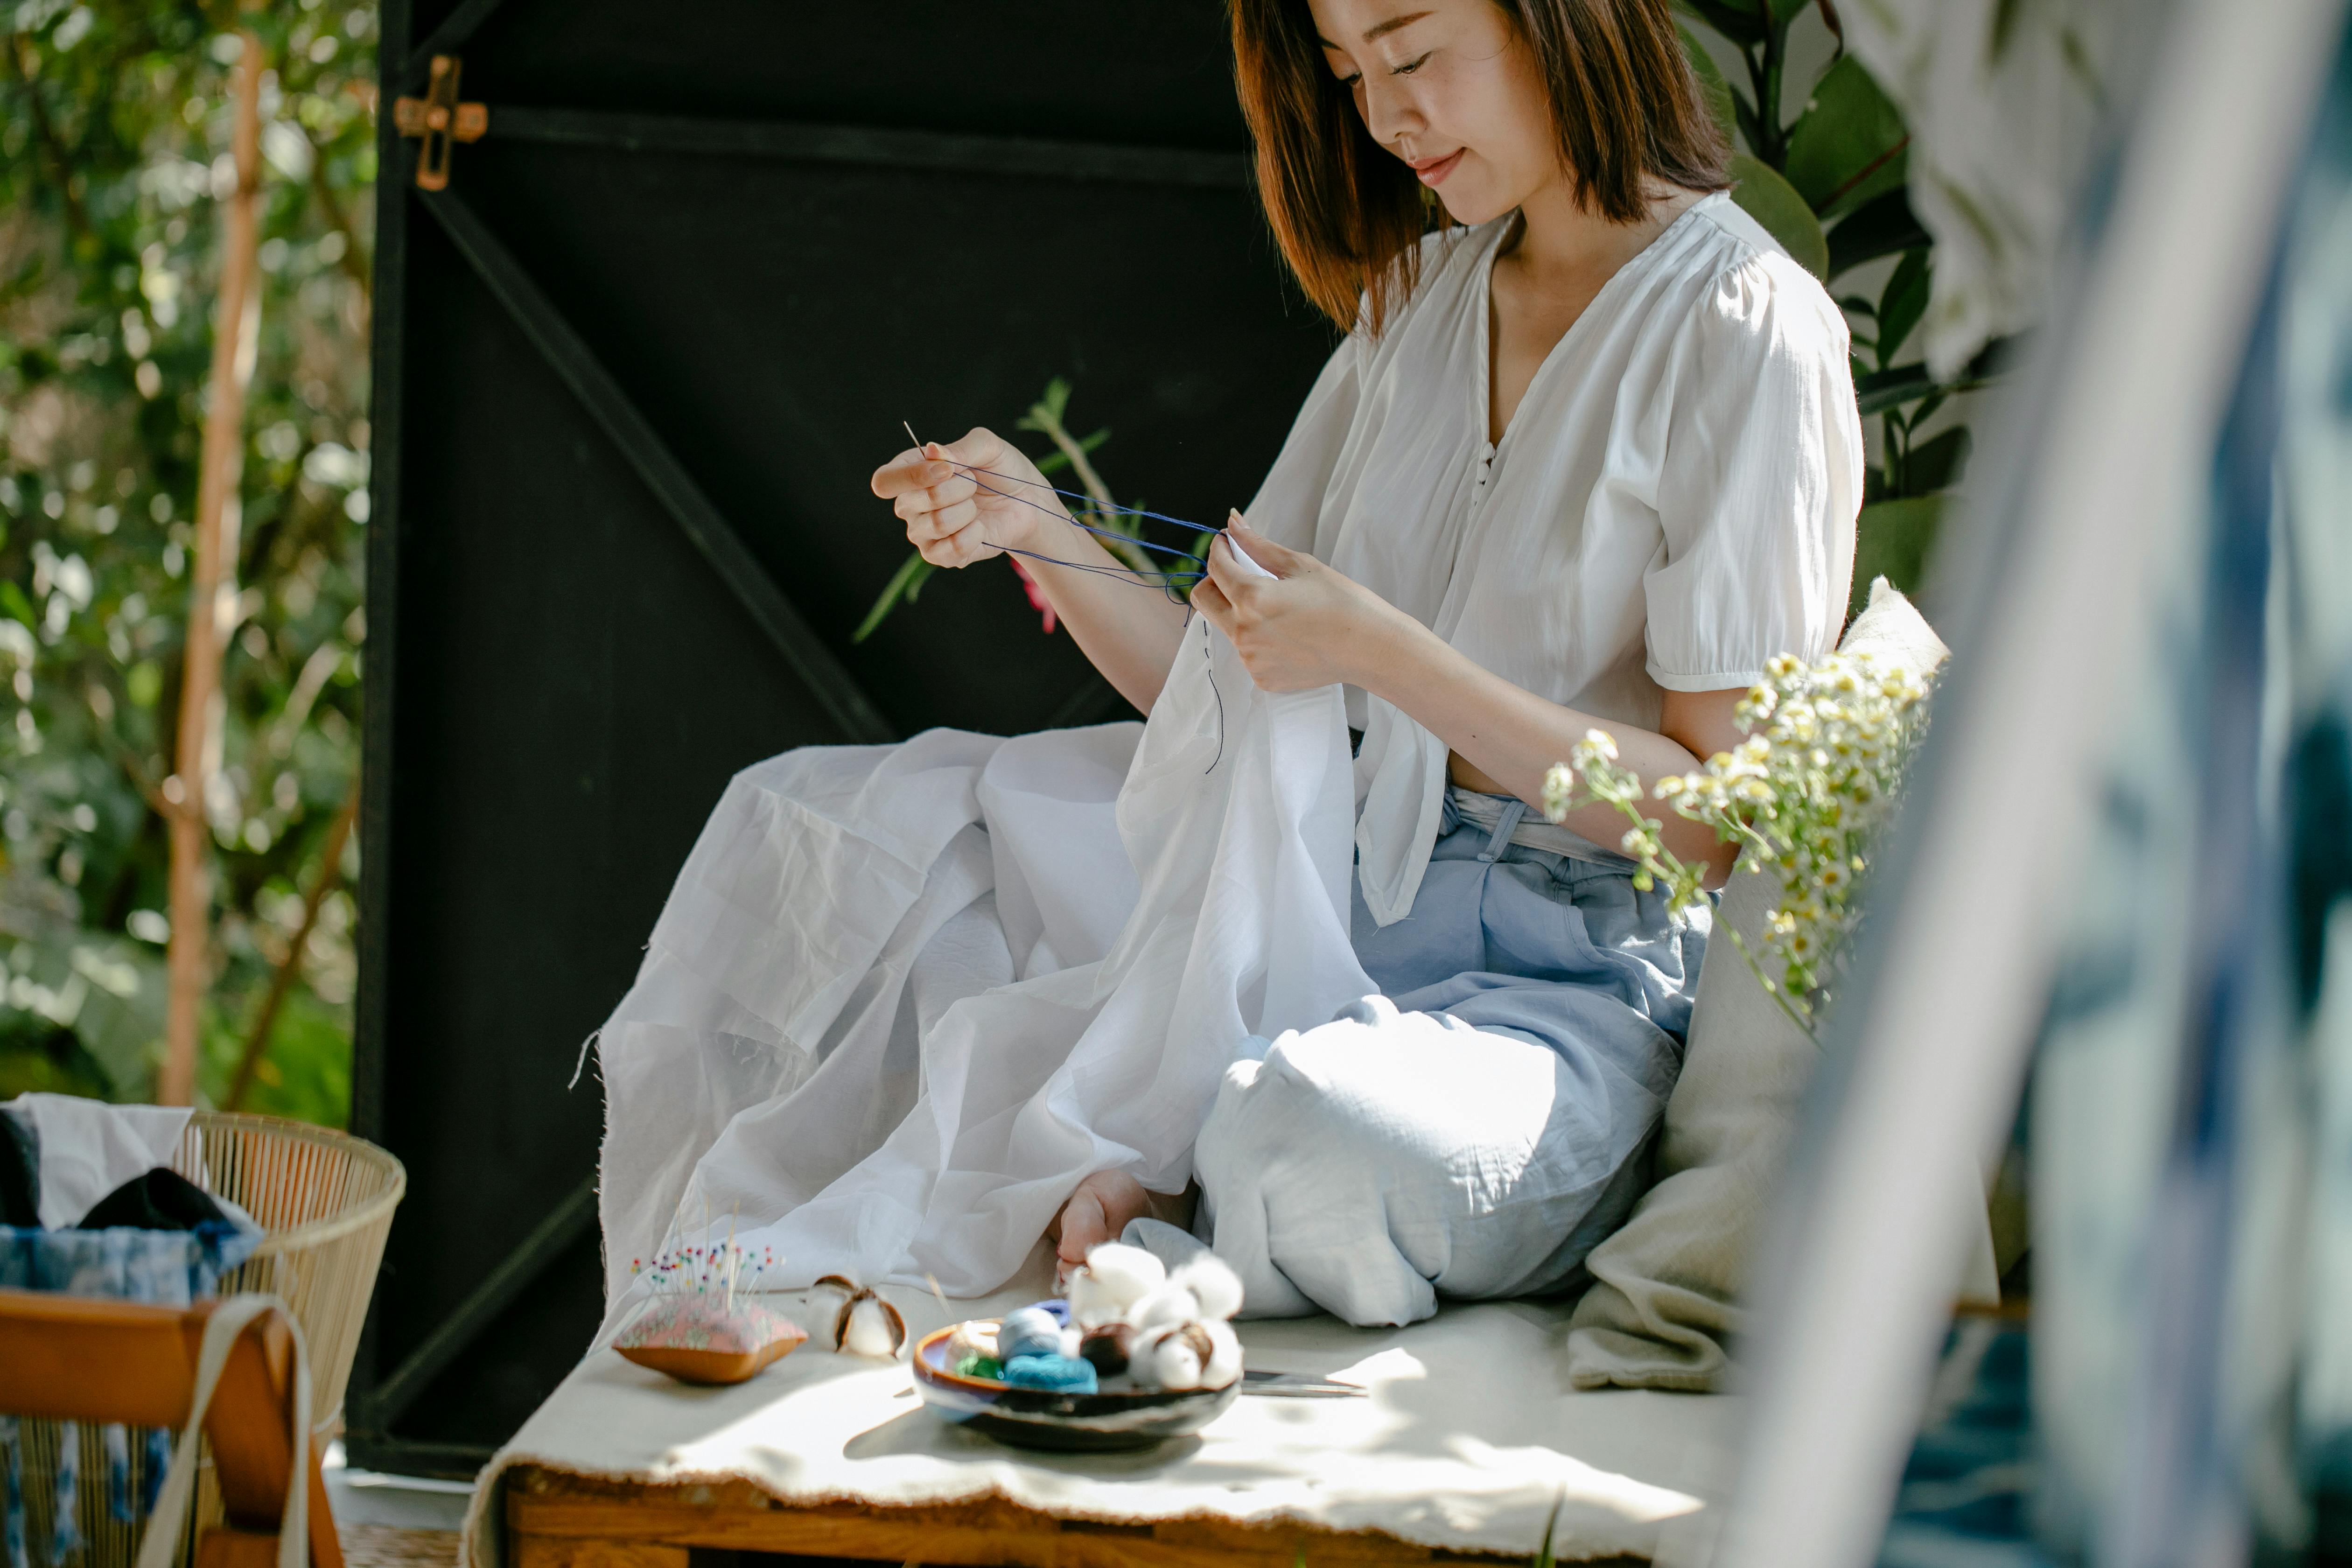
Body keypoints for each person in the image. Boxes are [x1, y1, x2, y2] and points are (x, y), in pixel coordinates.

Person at [597, 0, 1855, 1334]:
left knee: (1307, 1138)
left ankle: (1184, 1165)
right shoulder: (1415, 302)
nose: (1383, 116)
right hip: (1305, 918)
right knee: (864, 847)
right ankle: (702, 1301)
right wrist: (1038, 524)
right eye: (1348, 71)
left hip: (1564, 998)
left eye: (1415, 53)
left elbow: (1718, 823)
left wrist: (1386, 659)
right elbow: (1219, 696)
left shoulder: (1745, 327)